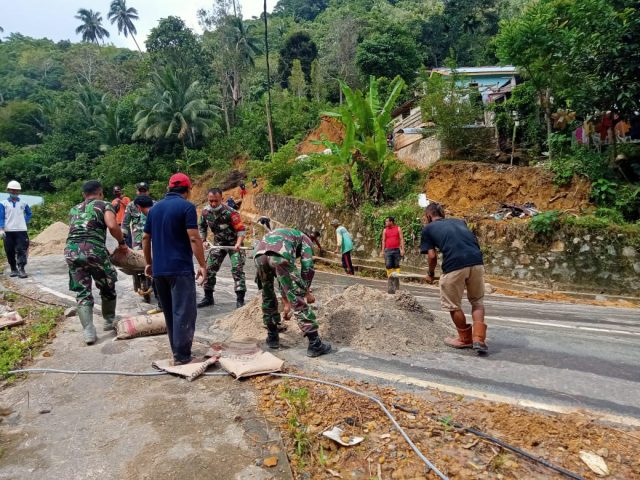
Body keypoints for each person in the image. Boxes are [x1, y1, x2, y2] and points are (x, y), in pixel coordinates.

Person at [142, 173, 207, 366]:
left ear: (169, 188)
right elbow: (194, 238)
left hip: (159, 271)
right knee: (184, 312)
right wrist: (203, 265)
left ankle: (177, 353)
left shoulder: (154, 209)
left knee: (170, 312)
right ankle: (183, 356)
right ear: (188, 189)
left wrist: (148, 263)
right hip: (179, 269)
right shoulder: (187, 207)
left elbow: (146, 238)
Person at [420, 202, 488, 354]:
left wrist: (430, 274)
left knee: (453, 305)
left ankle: (464, 339)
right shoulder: (460, 222)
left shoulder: (428, 228)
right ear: (442, 214)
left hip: (455, 264)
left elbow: (432, 256)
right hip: (477, 261)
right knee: (477, 302)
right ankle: (479, 338)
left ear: (428, 216)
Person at [64, 180, 128, 345]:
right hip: (94, 250)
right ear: (100, 192)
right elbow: (113, 226)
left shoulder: (74, 209)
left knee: (82, 292)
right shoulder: (104, 204)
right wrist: (122, 243)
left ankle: (88, 331)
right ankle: (108, 320)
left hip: (71, 251)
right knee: (107, 284)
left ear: (83, 195)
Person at [254, 228, 331, 357]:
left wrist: (286, 303)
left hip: (259, 255)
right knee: (297, 298)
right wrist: (306, 291)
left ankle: (272, 337)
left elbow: (282, 280)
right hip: (279, 255)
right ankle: (315, 344)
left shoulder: (286, 234)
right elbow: (308, 266)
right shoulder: (305, 239)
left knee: (267, 295)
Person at [197, 188, 247, 309]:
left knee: (237, 268)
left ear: (222, 199)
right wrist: (203, 240)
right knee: (209, 268)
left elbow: (241, 230)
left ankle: (240, 300)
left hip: (234, 244)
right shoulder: (205, 212)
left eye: (216, 201)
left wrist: (238, 243)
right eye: (211, 201)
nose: (213, 204)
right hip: (218, 244)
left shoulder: (231, 212)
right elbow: (202, 227)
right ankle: (208, 297)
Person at [0, 180, 32, 278]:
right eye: (12, 190)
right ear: (8, 190)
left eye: (16, 190)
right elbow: (1, 217)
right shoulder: (3, 203)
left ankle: (21, 269)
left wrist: (24, 221)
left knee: (21, 250)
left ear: (19, 192)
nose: (14, 192)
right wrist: (1, 229)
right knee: (9, 251)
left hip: (21, 231)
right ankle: (13, 269)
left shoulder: (23, 203)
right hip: (8, 231)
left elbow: (29, 213)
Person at [122, 182, 151, 250]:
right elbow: (125, 224)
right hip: (137, 241)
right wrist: (122, 241)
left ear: (148, 192)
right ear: (136, 192)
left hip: (151, 240)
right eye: (140, 191)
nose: (142, 193)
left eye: (144, 191)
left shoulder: (155, 205)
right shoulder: (131, 205)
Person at [380, 216, 405, 293]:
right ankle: (390, 281)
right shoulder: (385, 230)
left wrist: (402, 249)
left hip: (397, 250)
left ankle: (396, 282)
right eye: (385, 221)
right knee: (388, 265)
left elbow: (401, 239)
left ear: (391, 222)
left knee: (396, 265)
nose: (386, 223)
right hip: (388, 250)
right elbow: (383, 241)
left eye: (387, 221)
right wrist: (382, 250)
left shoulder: (398, 228)